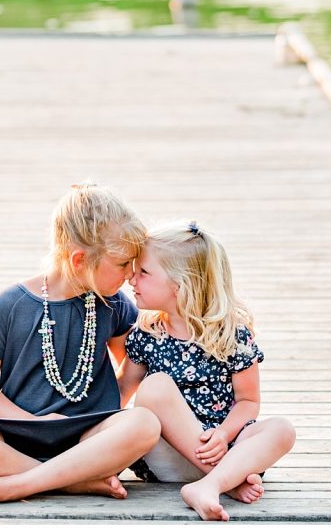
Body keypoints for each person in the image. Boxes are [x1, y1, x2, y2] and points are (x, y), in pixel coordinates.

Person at [0, 183, 161, 509]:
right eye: (122, 264)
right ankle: (72, 483)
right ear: (79, 260)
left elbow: (132, 367)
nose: (131, 274)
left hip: (88, 440)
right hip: (19, 438)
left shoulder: (112, 304)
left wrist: (111, 401)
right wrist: (31, 423)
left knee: (144, 423)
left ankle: (20, 484)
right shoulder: (11, 304)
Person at [119, 220, 296, 522]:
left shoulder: (233, 335)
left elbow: (248, 402)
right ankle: (228, 482)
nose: (131, 279)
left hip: (224, 450)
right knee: (155, 387)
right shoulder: (147, 333)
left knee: (282, 429)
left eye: (144, 272)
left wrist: (222, 434)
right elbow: (121, 392)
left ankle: (210, 484)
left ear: (181, 284)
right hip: (166, 456)